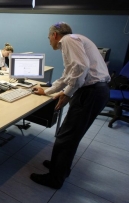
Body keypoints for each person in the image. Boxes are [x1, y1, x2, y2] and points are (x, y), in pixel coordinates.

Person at [30, 22, 110, 189]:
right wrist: (48, 91)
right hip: (94, 91)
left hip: (91, 93)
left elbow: (80, 68)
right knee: (69, 134)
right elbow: (68, 75)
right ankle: (59, 167)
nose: (49, 42)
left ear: (54, 35)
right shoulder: (76, 39)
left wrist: (67, 93)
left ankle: (55, 179)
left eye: (48, 38)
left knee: (67, 136)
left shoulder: (67, 40)